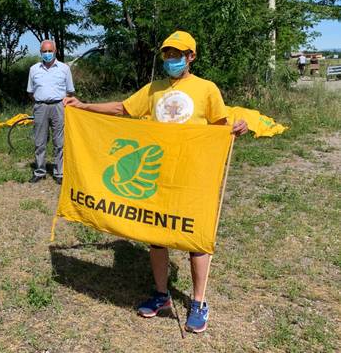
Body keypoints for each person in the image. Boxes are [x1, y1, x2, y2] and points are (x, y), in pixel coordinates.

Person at [64, 30, 248, 333]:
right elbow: (124, 109)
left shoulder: (206, 89)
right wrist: (83, 106)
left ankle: (199, 302)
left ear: (191, 56)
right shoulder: (154, 89)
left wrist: (235, 130)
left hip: (192, 176)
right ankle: (162, 295)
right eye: (167, 54)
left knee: (195, 237)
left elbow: (220, 126)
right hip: (158, 175)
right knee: (156, 234)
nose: (171, 59)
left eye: (178, 54)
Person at [26, 40, 75, 185]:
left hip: (58, 107)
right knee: (39, 141)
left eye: (49, 51)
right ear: (41, 53)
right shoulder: (34, 69)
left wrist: (61, 102)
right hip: (40, 107)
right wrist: (41, 101)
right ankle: (40, 171)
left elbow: (70, 91)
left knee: (59, 142)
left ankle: (59, 172)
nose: (47, 54)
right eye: (44, 51)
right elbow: (30, 92)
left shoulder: (64, 69)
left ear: (55, 51)